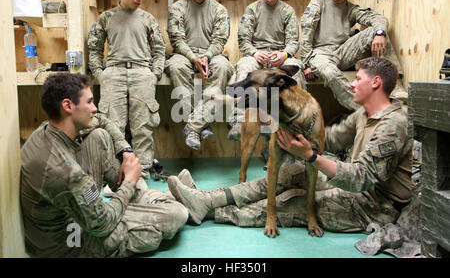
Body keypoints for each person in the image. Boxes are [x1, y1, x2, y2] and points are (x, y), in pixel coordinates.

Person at [166, 57, 413, 235]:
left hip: (374, 206)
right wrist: (302, 137)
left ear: (376, 83)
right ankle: (206, 198)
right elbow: (334, 137)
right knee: (288, 174)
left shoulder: (393, 124)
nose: (351, 84)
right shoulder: (364, 113)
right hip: (354, 188)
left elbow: (361, 178)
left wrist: (310, 156)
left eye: (357, 79)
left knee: (289, 201)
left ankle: (210, 212)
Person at [20, 73, 192, 257]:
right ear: (68, 105)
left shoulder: (47, 129)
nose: (94, 108)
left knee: (99, 137)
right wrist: (129, 182)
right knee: (176, 214)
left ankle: (154, 200)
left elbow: (101, 120)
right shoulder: (66, 172)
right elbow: (103, 224)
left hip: (67, 217)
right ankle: (169, 201)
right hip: (71, 243)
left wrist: (125, 149)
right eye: (90, 102)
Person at [88, 0, 165, 178]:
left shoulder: (148, 18)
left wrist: (154, 74)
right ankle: (114, 173)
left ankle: (144, 171)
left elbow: (159, 49)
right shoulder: (106, 17)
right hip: (114, 72)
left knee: (143, 126)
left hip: (141, 72)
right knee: (113, 126)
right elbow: (94, 49)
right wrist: (100, 74)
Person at [300, 0, 407, 112]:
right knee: (331, 73)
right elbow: (307, 31)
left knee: (376, 32)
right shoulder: (320, 1)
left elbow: (377, 18)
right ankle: (366, 110)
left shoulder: (351, 9)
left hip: (342, 53)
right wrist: (305, 63)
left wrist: (380, 33)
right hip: (320, 55)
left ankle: (397, 87)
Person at [228, 0, 306, 141]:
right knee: (244, 67)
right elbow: (243, 40)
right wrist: (255, 53)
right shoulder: (252, 9)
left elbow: (293, 41)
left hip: (280, 55)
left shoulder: (288, 11)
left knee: (297, 69)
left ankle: (299, 121)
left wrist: (284, 54)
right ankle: (237, 121)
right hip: (257, 55)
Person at [167, 0, 234, 150]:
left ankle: (193, 127)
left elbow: (220, 40)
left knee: (222, 66)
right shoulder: (177, 8)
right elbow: (177, 39)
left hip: (210, 55)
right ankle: (201, 124)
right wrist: (193, 57)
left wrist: (206, 56)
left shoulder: (219, 10)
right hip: (184, 55)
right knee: (175, 66)